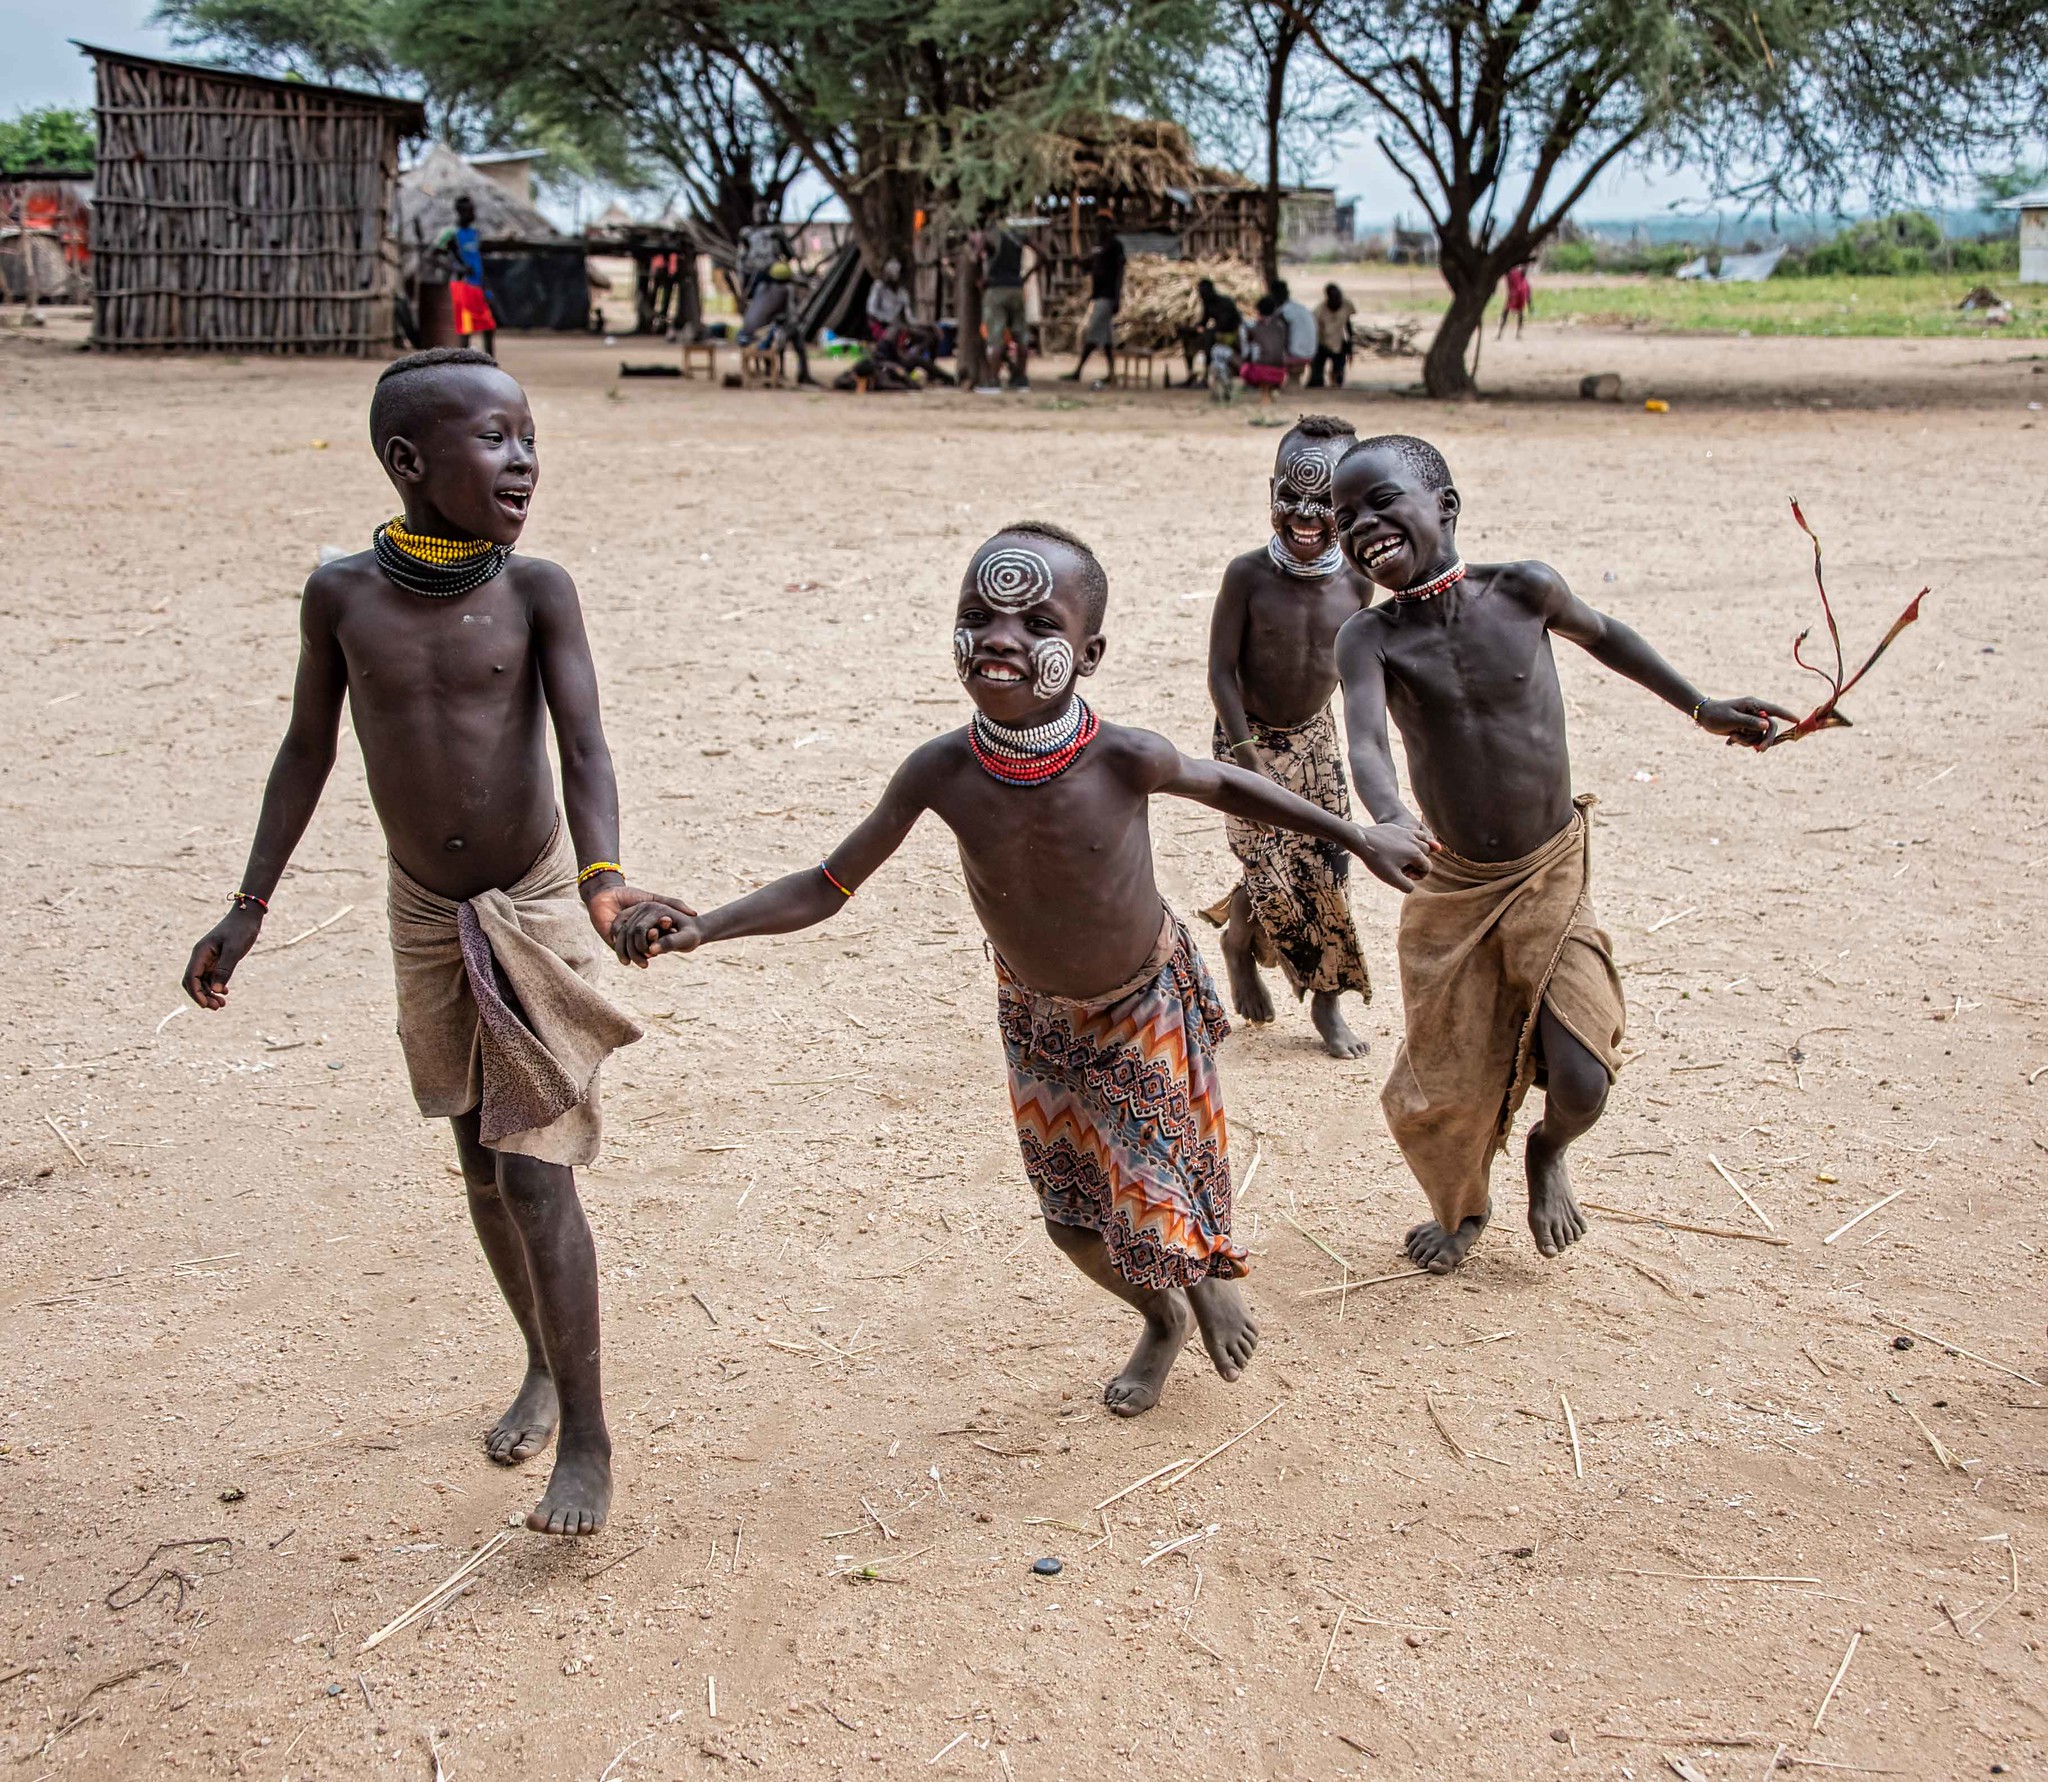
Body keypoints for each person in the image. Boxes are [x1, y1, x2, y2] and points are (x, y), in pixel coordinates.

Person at [615, 524, 1432, 1416]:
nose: (1002, 638)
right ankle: (1161, 1316)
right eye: (980, 615)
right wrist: (705, 929)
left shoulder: (1125, 756)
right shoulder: (942, 770)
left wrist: (1357, 831)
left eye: (1037, 624)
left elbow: (1227, 783)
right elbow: (827, 885)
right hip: (1038, 1019)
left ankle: (1200, 1275)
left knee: (1157, 1199)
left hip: (1143, 1003)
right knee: (1072, 1221)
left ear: (1089, 654)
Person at [179, 348, 686, 1534]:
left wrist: (605, 891)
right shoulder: (343, 597)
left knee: (533, 1167)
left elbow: (586, 752)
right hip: (423, 911)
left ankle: (592, 1443)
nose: (523, 460)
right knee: (473, 1158)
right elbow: (306, 753)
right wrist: (248, 908)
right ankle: (541, 1360)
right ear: (408, 462)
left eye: (528, 437)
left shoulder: (537, 590)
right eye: (494, 439)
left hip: (532, 894)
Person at [1329, 435, 1800, 1274]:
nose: (1361, 525)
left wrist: (1702, 707)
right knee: (1451, 1081)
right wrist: (1391, 814)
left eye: (1381, 501)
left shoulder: (1524, 590)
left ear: (1445, 505)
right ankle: (1462, 1210)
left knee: (1584, 1075)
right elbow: (1365, 739)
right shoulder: (1369, 638)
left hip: (1548, 866)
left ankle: (1548, 1151)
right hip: (1455, 885)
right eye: (1344, 518)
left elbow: (1608, 633)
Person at [1201, 416, 1379, 1059]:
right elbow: (1221, 670)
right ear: (1270, 489)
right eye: (1291, 496)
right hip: (1246, 738)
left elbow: (1366, 669)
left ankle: (1327, 1002)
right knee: (1270, 867)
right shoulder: (1247, 575)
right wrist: (1246, 756)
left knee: (1327, 870)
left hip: (1315, 739)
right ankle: (1239, 948)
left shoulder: (1358, 580)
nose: (1306, 515)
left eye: (1325, 501)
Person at [1064, 214, 1126, 388]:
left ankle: (1078, 371)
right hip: (1099, 294)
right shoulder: (1098, 246)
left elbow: (1120, 273)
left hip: (1107, 296)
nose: (1098, 228)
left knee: (1092, 334)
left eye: (1102, 225)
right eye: (1097, 224)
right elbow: (1090, 265)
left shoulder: (1115, 246)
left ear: (1108, 226)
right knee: (1106, 340)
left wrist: (1117, 296)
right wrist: (1078, 262)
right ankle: (1112, 374)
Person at [438, 195, 497, 359]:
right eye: (467, 210)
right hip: (462, 285)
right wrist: (458, 267)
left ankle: (490, 362)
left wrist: (486, 286)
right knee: (466, 328)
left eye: (472, 210)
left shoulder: (476, 233)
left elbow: (478, 260)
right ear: (459, 212)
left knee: (488, 326)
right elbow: (432, 256)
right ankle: (465, 363)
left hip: (478, 284)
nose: (471, 213)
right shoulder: (451, 234)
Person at [979, 218, 1033, 392]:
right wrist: (1024, 277)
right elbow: (1044, 255)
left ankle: (993, 381)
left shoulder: (991, 235)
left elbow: (977, 255)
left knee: (996, 337)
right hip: (1016, 288)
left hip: (996, 290)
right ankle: (1021, 379)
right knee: (1021, 335)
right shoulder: (1019, 235)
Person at [1190, 278, 1244, 384]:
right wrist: (1196, 326)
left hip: (1231, 331)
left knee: (1209, 337)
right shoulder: (1208, 304)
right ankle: (1190, 372)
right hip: (1218, 330)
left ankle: (1207, 371)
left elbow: (1225, 324)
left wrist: (1207, 330)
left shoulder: (1225, 303)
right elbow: (1204, 320)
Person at [736, 200, 791, 301]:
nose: (760, 215)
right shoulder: (747, 233)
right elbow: (741, 260)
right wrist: (742, 284)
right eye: (758, 212)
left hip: (774, 273)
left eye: (763, 212)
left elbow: (789, 254)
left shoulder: (776, 232)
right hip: (755, 274)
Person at [1240, 295, 1290, 405]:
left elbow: (1247, 348)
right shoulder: (1281, 326)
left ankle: (1265, 395)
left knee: (1246, 366)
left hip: (1261, 371)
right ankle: (1270, 392)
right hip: (1280, 370)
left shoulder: (1254, 327)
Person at [1310, 282, 1356, 387]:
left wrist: (1349, 345)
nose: (1338, 300)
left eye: (1339, 296)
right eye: (1335, 297)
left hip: (1338, 342)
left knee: (1338, 376)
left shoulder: (1346, 305)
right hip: (1321, 343)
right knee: (1317, 380)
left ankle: (1335, 380)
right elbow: (1313, 330)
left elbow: (1347, 324)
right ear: (1328, 298)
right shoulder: (1319, 311)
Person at [1273, 280, 1316, 385]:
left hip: (1296, 355)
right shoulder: (1299, 307)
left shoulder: (1283, 312)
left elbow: (1284, 337)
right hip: (1311, 353)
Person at [866, 256, 915, 340]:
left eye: (890, 274)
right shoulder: (879, 287)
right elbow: (871, 310)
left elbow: (909, 316)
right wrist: (888, 319)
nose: (887, 276)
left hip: (898, 327)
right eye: (886, 273)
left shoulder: (903, 293)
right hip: (881, 326)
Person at [1498, 261, 1533, 338]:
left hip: (1518, 295)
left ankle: (1517, 333)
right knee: (1506, 313)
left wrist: (1530, 307)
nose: (1525, 269)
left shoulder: (1523, 281)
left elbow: (1528, 296)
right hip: (1514, 295)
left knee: (1518, 313)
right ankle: (1500, 333)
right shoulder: (1513, 273)